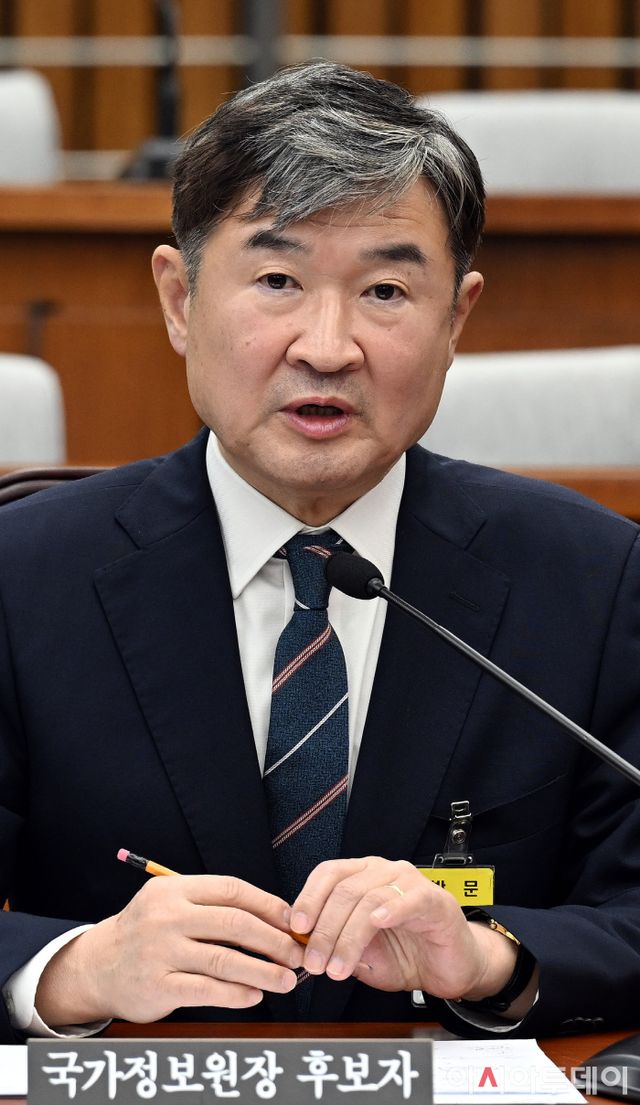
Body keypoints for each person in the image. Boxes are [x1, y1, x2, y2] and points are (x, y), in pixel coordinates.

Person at [1, 60, 640, 1046]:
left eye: (385, 289)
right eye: (277, 281)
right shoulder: (23, 577)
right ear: (178, 299)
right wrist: (76, 969)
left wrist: (491, 958)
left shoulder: (592, 579)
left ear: (457, 318)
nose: (328, 346)